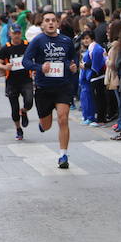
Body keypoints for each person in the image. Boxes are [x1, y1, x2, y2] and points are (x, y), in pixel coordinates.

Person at [22, 10, 79, 169]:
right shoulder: (38, 41)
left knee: (62, 118)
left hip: (63, 86)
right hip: (43, 88)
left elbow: (73, 57)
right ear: (42, 24)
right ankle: (43, 124)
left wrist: (73, 66)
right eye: (47, 20)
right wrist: (40, 67)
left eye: (53, 20)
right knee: (46, 126)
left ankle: (63, 155)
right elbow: (26, 61)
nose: (51, 23)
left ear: (58, 23)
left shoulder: (66, 41)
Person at [0, 24, 32, 141]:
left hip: (26, 79)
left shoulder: (27, 45)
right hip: (12, 82)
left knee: (29, 102)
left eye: (18, 33)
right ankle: (18, 129)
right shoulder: (6, 48)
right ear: (10, 34)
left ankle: (24, 111)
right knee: (14, 109)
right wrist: (5, 67)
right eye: (14, 33)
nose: (16, 35)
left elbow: (34, 57)